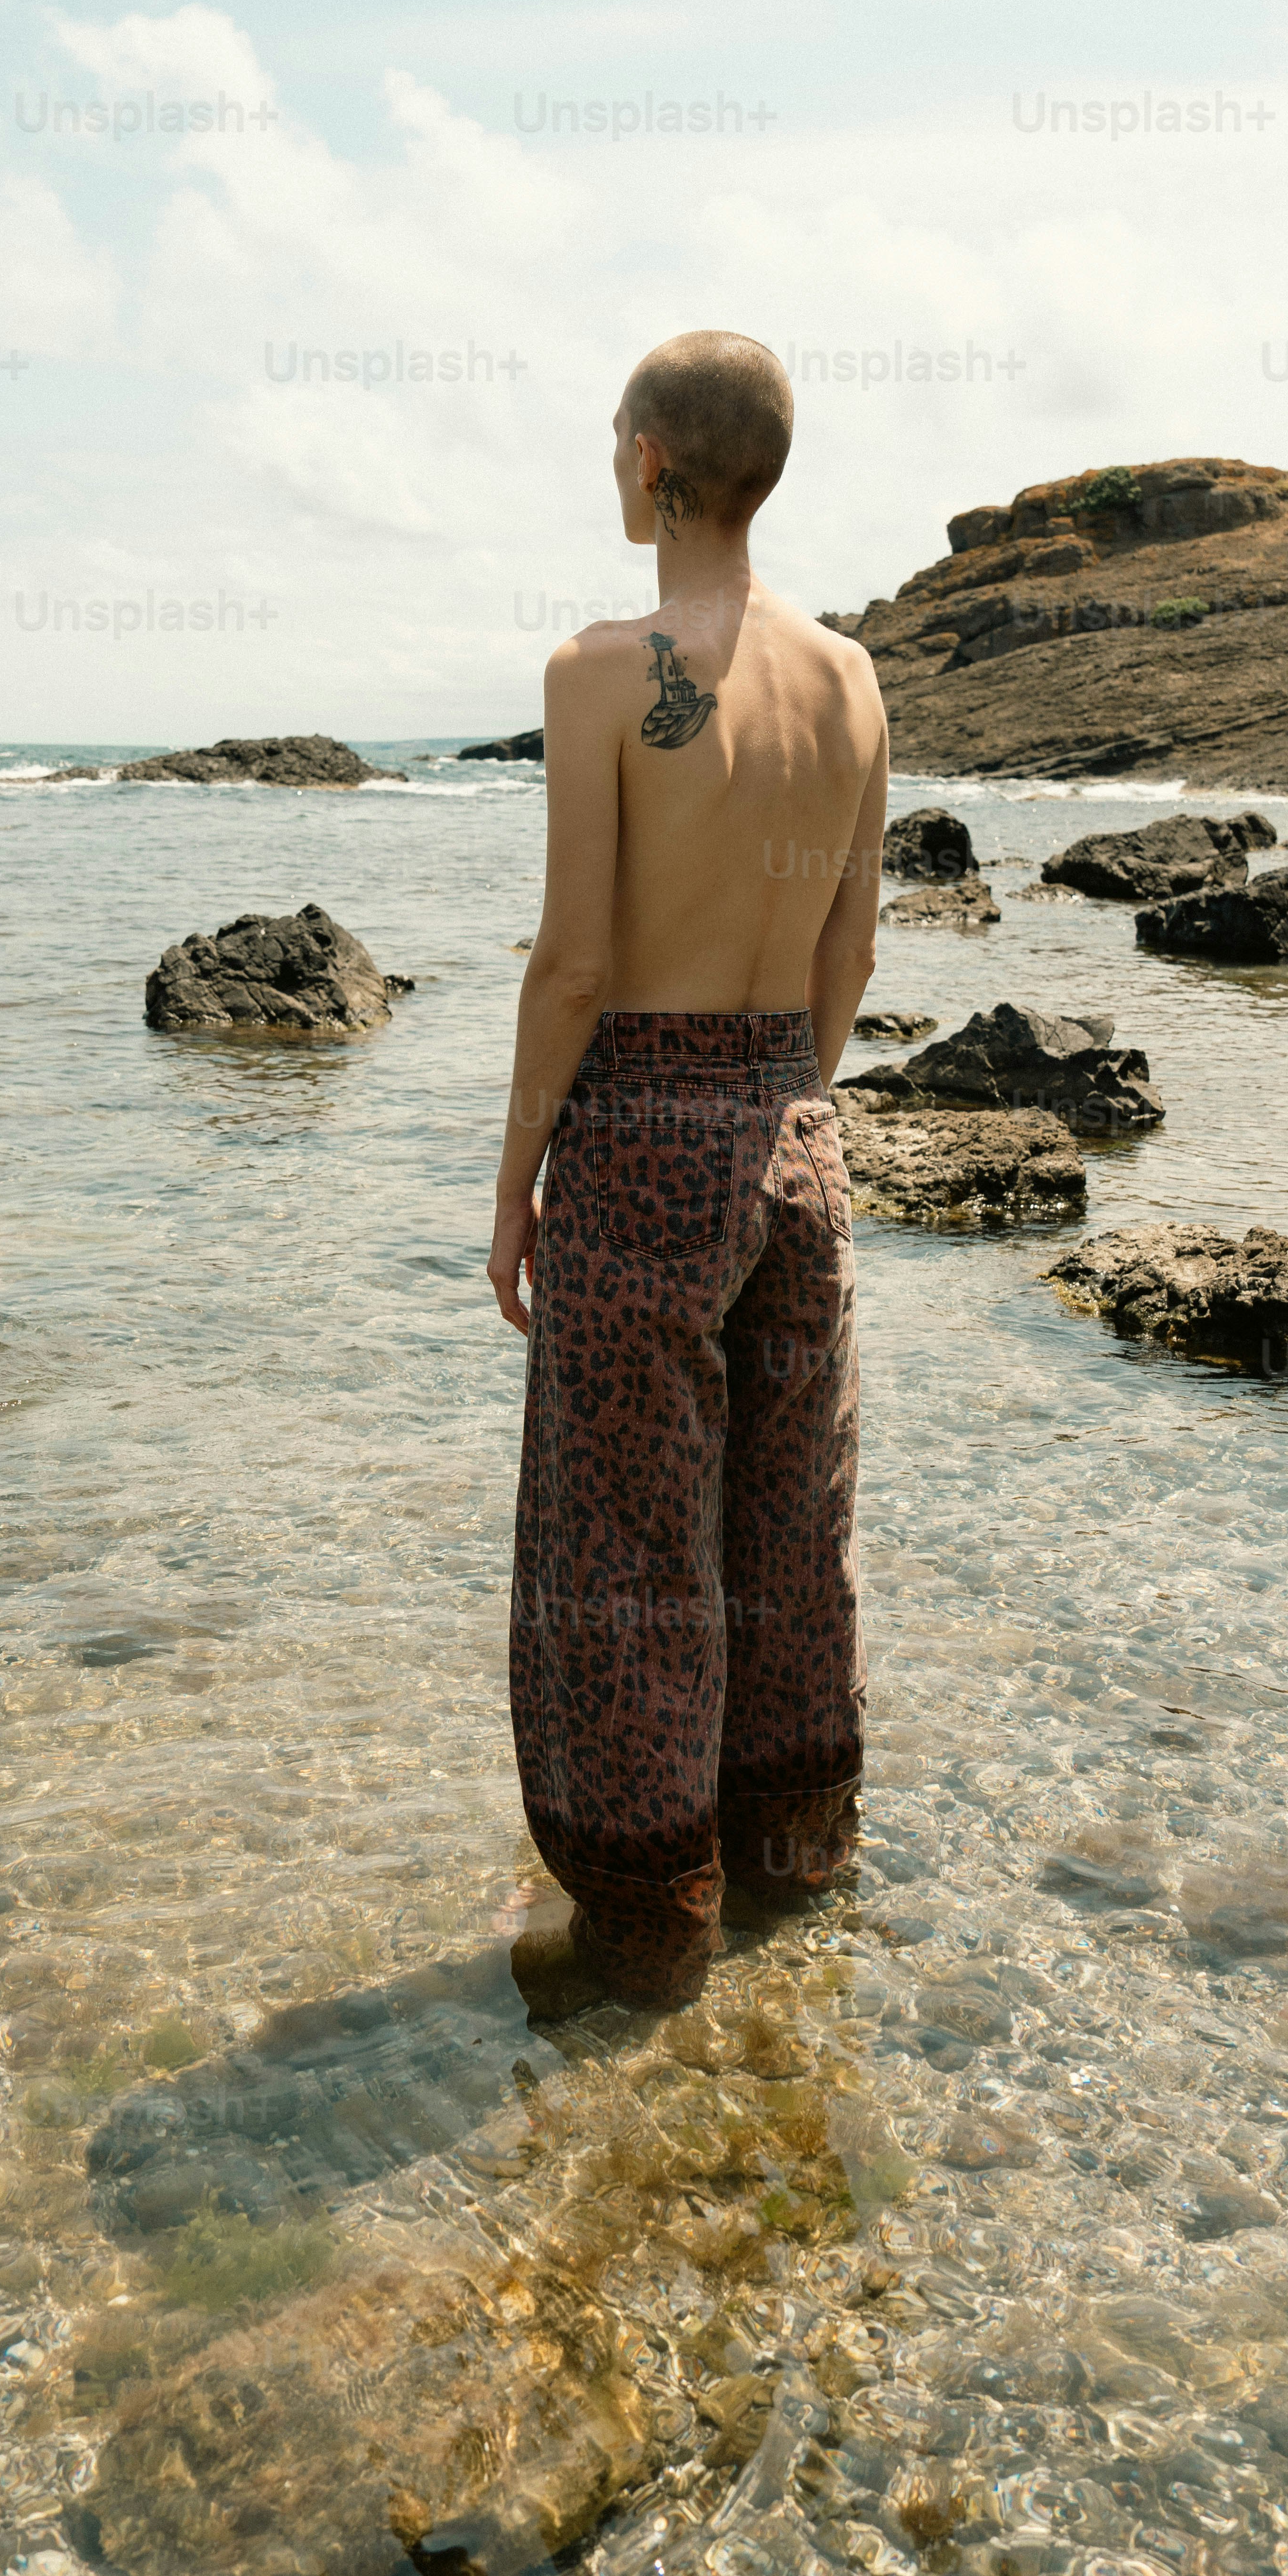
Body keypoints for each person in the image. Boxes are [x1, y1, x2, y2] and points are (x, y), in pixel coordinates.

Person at [486, 330, 889, 2012]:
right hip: (798, 1129)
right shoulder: (854, 680)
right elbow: (851, 953)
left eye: (612, 432)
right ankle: (793, 1850)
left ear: (653, 462)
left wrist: (517, 1180)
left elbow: (575, 964)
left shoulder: (601, 672)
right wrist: (779, 1108)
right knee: (792, 1524)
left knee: (628, 1554)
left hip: (643, 1137)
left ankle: (651, 1922)